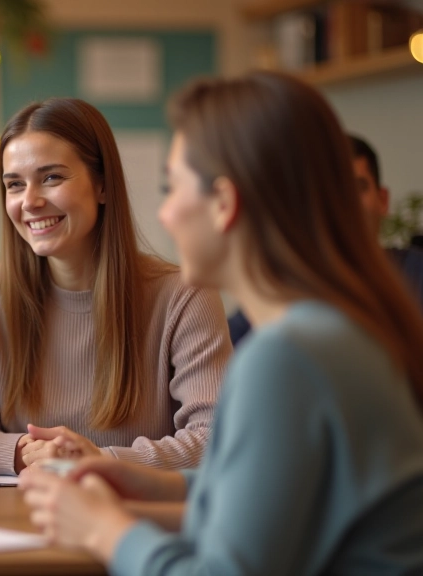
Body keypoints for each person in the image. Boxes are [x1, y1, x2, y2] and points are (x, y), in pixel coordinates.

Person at [21, 71, 423, 574]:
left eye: (172, 189)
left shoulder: (287, 358)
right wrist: (154, 484)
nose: (164, 215)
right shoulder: (335, 332)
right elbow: (266, 506)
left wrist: (103, 530)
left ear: (226, 204)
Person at [0, 97, 230, 475]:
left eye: (51, 177)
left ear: (103, 186)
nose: (30, 201)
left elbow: (215, 438)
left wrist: (97, 461)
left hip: (131, 517)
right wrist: (31, 453)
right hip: (23, 517)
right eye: (14, 185)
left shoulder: (184, 295)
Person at [228, 133, 423, 345]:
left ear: (383, 200)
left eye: (358, 187)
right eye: (333, 191)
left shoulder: (417, 271)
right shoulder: (285, 287)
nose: (345, 202)